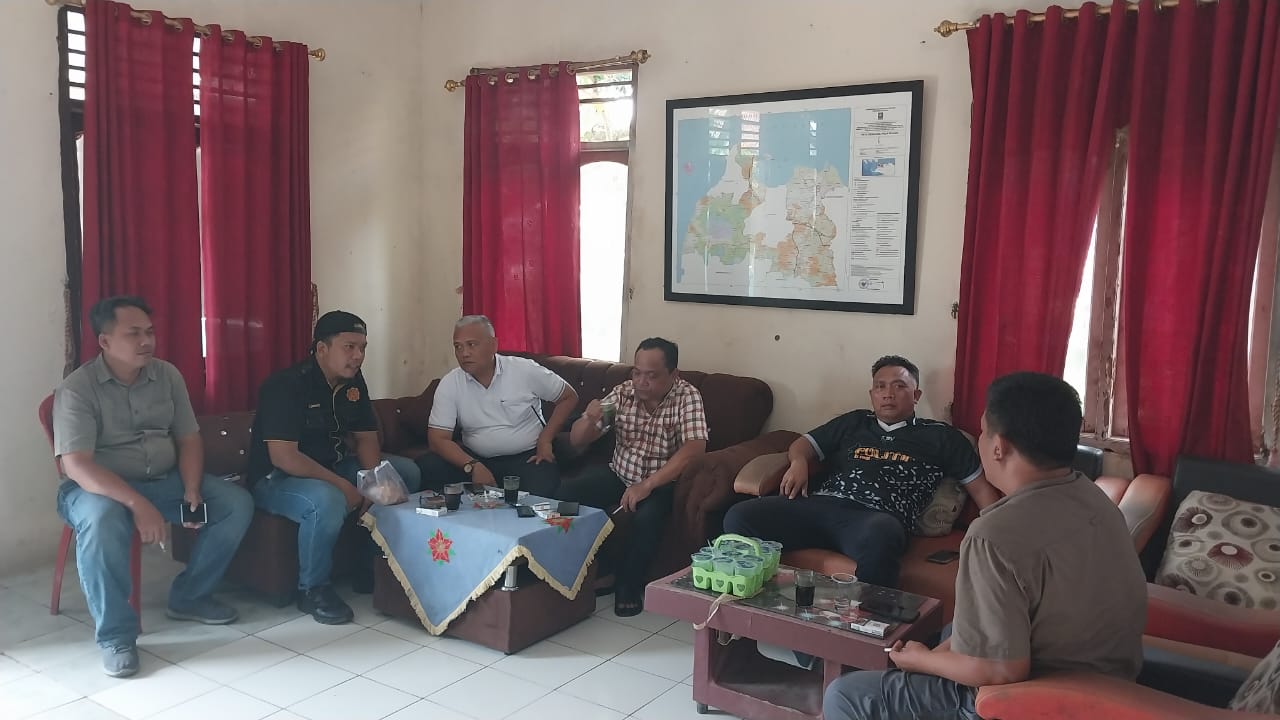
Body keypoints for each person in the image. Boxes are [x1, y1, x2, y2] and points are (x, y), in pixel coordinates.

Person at [822, 372, 1148, 720]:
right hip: (1109, 678)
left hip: (1037, 699)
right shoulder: (1093, 498)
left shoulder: (993, 534)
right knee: (950, 631)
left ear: (998, 447)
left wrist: (921, 660)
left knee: (847, 695)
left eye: (983, 431)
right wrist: (934, 657)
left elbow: (1000, 671)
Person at [54, 296, 254, 678]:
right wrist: (137, 504)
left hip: (164, 481)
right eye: (134, 334)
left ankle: (190, 596)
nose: (146, 341)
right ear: (105, 341)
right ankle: (116, 636)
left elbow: (189, 438)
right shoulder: (77, 388)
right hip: (97, 489)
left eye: (149, 332)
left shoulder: (166, 375)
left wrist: (192, 487)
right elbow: (76, 465)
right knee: (102, 519)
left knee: (234, 503)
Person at [724, 355, 998, 588]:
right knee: (741, 516)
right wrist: (798, 463)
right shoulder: (855, 422)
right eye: (880, 386)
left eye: (899, 386)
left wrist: (998, 537)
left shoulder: (942, 437)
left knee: (881, 536)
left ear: (916, 395)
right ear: (872, 395)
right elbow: (803, 445)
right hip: (820, 505)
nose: (888, 394)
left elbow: (981, 491)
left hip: (875, 517)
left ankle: (868, 623)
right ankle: (753, 605)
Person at [247, 310, 422, 624]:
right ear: (322, 348)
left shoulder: (353, 383)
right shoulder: (286, 385)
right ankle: (312, 589)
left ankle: (369, 565)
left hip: (333, 467)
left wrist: (373, 481)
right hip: (279, 478)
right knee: (326, 499)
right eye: (349, 347)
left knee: (404, 473)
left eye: (363, 348)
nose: (358, 356)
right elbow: (285, 457)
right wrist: (343, 486)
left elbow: (366, 438)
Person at [557, 337, 708, 617]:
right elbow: (578, 440)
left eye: (651, 375)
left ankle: (628, 584)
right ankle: (580, 570)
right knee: (566, 494)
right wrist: (588, 420)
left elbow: (694, 449)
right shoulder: (623, 394)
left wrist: (648, 485)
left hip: (663, 483)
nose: (641, 382)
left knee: (646, 518)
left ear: (673, 374)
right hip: (620, 473)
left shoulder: (687, 396)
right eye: (637, 373)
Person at [416, 315, 578, 496]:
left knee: (541, 486)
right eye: (458, 346)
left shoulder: (524, 370)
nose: (464, 353)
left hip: (526, 456)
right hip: (475, 458)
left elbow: (569, 397)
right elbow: (438, 439)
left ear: (493, 345)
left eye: (471, 345)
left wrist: (545, 440)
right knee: (429, 465)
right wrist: (473, 466)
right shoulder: (451, 382)